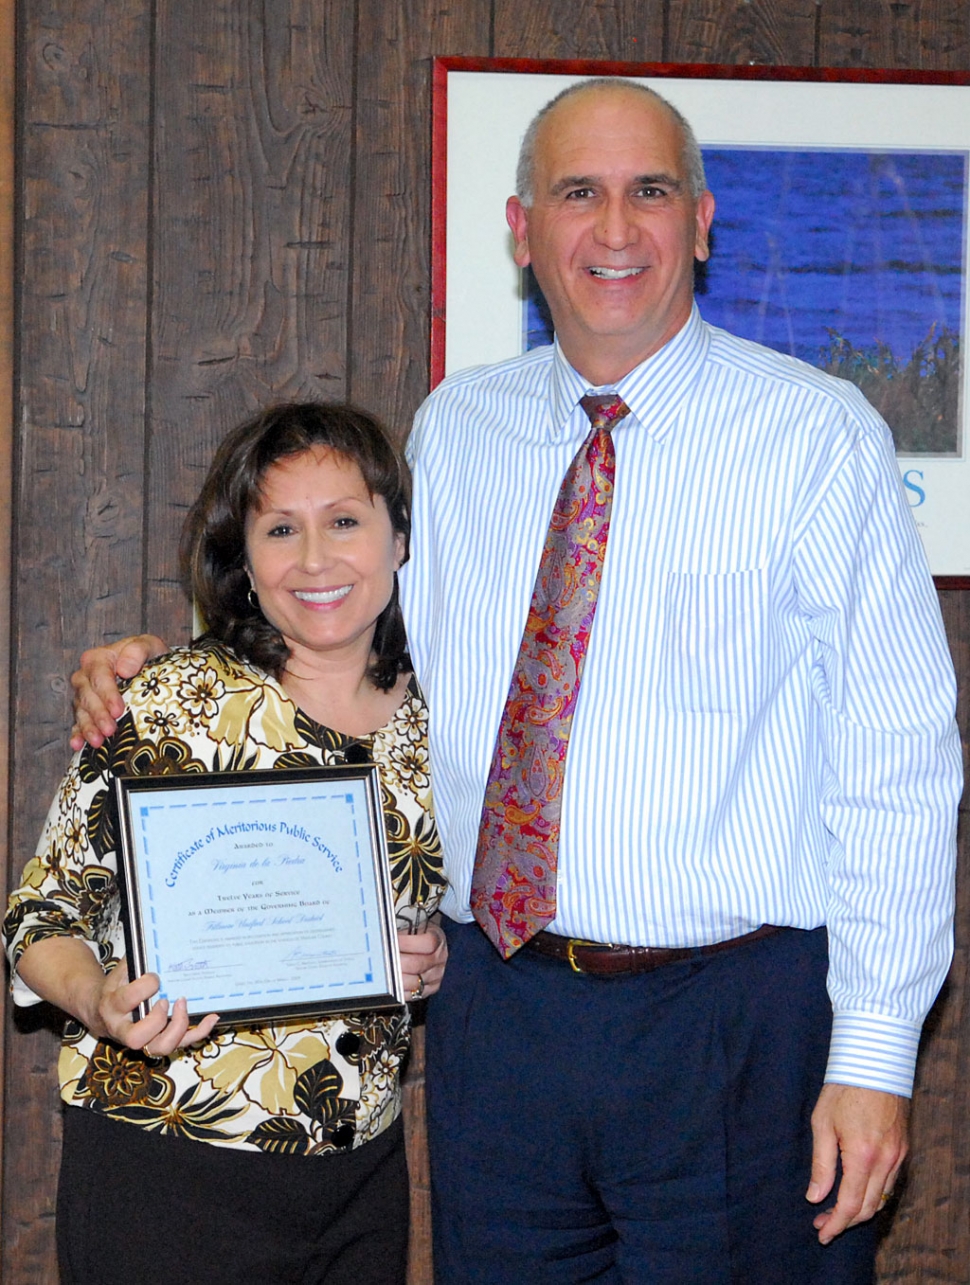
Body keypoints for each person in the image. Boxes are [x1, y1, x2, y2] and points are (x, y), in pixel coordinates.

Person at [68, 80, 962, 1284]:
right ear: (521, 225)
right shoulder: (455, 431)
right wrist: (167, 661)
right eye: (576, 192)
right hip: (499, 1018)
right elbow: (343, 623)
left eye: (648, 191)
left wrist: (871, 1055)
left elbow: (896, 762)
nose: (612, 227)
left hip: (734, 1026)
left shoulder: (816, 437)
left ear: (700, 220)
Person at [5, 402, 447, 1285]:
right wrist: (97, 1001)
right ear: (243, 557)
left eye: (346, 521)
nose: (315, 559)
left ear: (400, 537)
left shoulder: (446, 717)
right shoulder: (170, 703)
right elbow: (40, 915)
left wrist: (430, 953)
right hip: (167, 1164)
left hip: (358, 1168)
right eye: (282, 528)